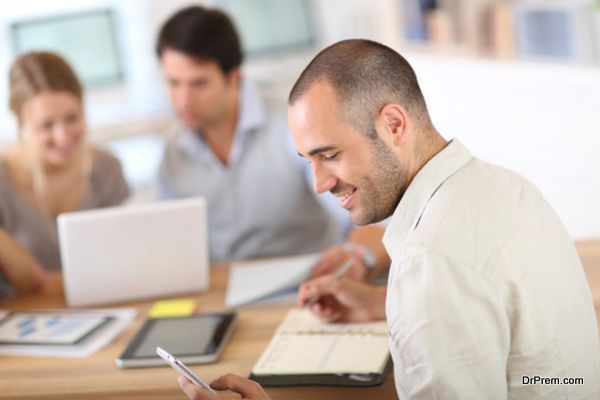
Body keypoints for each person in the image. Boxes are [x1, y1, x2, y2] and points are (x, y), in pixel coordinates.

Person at [179, 39, 600, 399]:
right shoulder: (504, 187)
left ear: (393, 124)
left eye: (329, 155)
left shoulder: (430, 260)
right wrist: (382, 305)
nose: (319, 183)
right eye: (308, 160)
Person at [155, 6, 389, 276]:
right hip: (224, 292)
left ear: (234, 78)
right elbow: (171, 251)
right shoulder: (172, 155)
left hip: (312, 281)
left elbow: (369, 219)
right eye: (173, 83)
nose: (183, 101)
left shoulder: (292, 128)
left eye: (199, 84)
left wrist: (355, 261)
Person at [0, 51, 130, 297]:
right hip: (25, 317)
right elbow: (26, 284)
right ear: (21, 124)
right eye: (46, 125)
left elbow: (122, 259)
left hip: (105, 307)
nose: (63, 137)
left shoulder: (106, 168)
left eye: (72, 118)